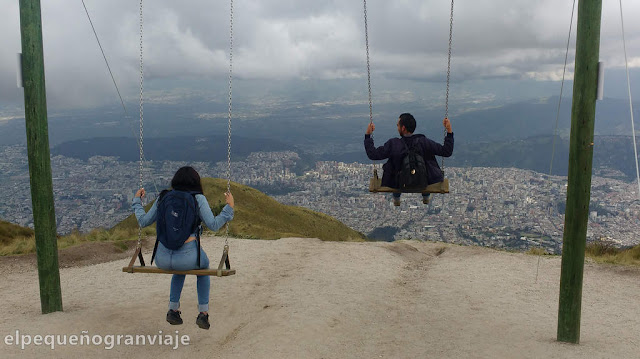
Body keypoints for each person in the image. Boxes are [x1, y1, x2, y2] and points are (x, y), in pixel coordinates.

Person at [131, 166, 234, 330]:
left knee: (180, 270)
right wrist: (229, 207)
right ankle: (203, 313)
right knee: (203, 267)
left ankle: (173, 309)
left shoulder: (163, 197)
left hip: (161, 259)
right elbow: (214, 225)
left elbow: (143, 221)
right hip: (187, 258)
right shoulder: (198, 199)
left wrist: (137, 201)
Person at [364, 113, 454, 206]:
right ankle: (426, 196)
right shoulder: (424, 142)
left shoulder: (394, 144)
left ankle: (396, 197)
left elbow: (373, 154)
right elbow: (446, 151)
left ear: (403, 128)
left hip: (399, 183)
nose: (397, 127)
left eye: (398, 125)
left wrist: (368, 135)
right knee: (425, 164)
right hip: (423, 181)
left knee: (395, 165)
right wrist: (449, 130)